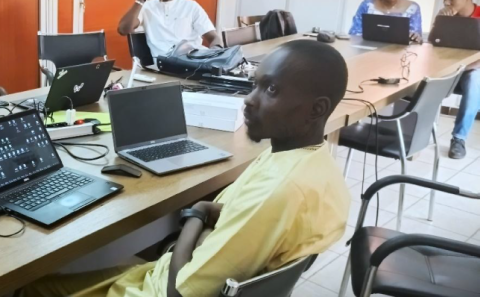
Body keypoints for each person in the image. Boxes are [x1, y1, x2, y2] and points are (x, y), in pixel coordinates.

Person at [21, 40, 351, 297]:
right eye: (254, 84)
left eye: (271, 90)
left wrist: (194, 215)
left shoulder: (281, 190)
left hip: (161, 287)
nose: (249, 100)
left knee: (27, 288)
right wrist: (205, 213)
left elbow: (179, 290)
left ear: (316, 109)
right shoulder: (309, 162)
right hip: (172, 271)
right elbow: (242, 213)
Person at [436, 0, 480, 159]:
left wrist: (466, 66)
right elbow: (435, 44)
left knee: (474, 82)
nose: (446, 3)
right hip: (447, 67)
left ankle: (459, 139)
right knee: (424, 81)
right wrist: (441, 21)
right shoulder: (446, 15)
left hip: (473, 68)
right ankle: (415, 132)